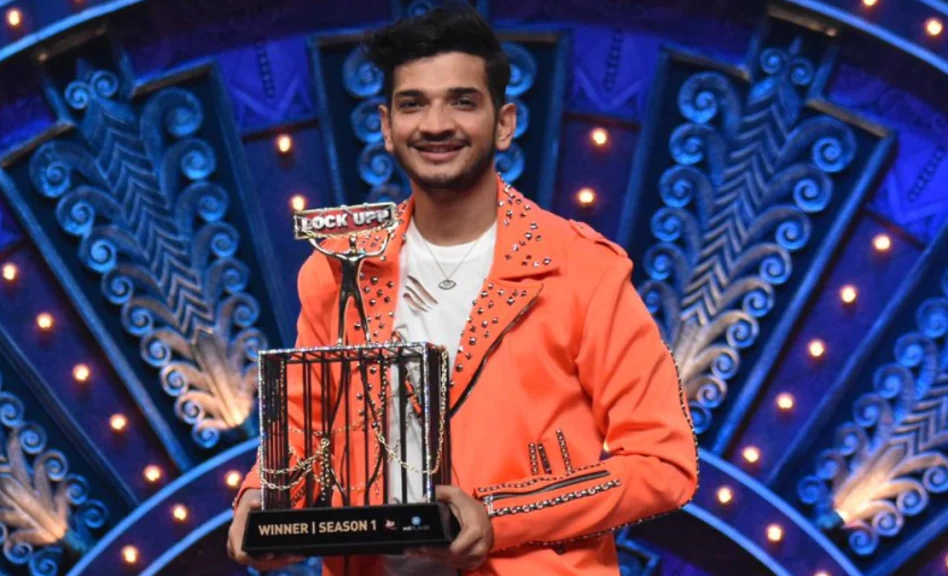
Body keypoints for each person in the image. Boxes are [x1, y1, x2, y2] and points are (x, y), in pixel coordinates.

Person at [226, 4, 699, 575]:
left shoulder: (581, 270)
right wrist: (260, 502)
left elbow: (663, 462)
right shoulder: (336, 271)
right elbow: (303, 433)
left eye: (462, 101)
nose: (435, 124)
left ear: (504, 123)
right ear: (386, 126)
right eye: (413, 104)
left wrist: (500, 516)